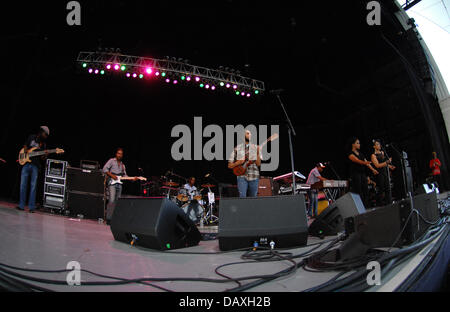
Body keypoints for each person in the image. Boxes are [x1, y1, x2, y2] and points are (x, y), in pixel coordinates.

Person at [17, 126, 50, 213]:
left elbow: (42, 158)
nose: (46, 136)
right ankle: (21, 205)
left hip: (35, 166)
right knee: (23, 185)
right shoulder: (31, 137)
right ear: (41, 132)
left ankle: (31, 207)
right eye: (45, 134)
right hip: (26, 163)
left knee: (33, 187)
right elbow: (25, 145)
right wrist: (26, 152)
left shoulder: (43, 144)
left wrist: (45, 155)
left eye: (47, 135)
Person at [103, 148, 137, 223]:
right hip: (112, 182)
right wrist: (112, 176)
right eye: (118, 153)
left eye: (121, 154)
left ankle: (114, 218)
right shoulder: (111, 161)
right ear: (116, 154)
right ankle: (108, 218)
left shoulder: (122, 165)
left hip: (119, 184)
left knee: (117, 201)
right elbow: (104, 169)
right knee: (111, 200)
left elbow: (125, 175)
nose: (119, 155)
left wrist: (132, 179)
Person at [228, 129, 262, 197]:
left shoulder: (256, 147)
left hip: (254, 176)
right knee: (242, 198)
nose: (250, 135)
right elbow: (229, 165)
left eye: (250, 134)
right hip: (241, 176)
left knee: (253, 198)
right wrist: (238, 162)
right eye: (247, 133)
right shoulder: (236, 148)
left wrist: (257, 153)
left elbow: (258, 164)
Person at [347, 137, 379, 207]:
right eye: (357, 143)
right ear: (353, 144)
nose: (359, 144)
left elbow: (366, 163)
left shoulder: (360, 154)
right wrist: (365, 162)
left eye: (359, 143)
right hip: (355, 174)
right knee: (359, 191)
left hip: (362, 174)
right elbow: (357, 161)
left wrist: (373, 169)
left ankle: (366, 206)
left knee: (366, 190)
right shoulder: (350, 154)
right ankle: (360, 207)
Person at [371, 140, 395, 206]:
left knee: (388, 187)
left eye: (379, 144)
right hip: (379, 174)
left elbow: (384, 163)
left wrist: (389, 166)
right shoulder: (373, 155)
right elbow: (377, 165)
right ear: (374, 146)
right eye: (377, 144)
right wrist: (387, 162)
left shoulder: (382, 153)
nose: (379, 145)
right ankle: (379, 203)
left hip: (385, 172)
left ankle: (389, 202)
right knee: (381, 189)